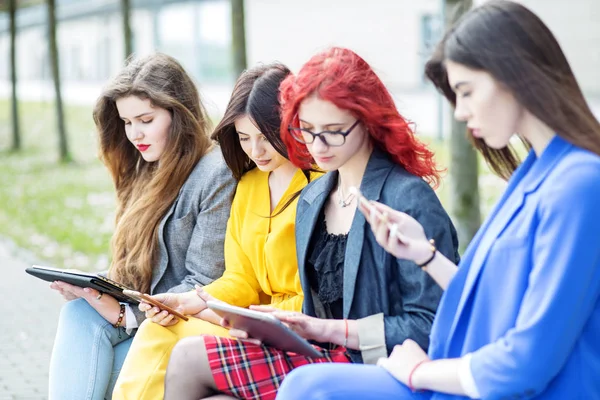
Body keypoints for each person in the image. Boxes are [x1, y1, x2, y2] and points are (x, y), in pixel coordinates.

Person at [275, 1, 600, 399]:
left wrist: (421, 373)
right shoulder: (536, 172)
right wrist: (424, 256)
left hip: (503, 385)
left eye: (465, 92)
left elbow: (525, 362)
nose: (460, 112)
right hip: (462, 373)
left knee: (311, 388)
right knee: (305, 384)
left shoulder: (579, 184)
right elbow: (494, 297)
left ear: (517, 76)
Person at [163, 47, 460, 400]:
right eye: (305, 129)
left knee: (192, 361)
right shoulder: (315, 197)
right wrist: (273, 328)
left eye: (333, 131)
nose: (316, 145)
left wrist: (328, 329)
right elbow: (312, 310)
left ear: (367, 120)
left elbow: (431, 324)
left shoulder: (406, 198)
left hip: (382, 363)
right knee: (190, 362)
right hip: (322, 352)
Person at [111, 63, 320, 400]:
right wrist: (186, 300)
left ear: (290, 125)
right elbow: (241, 279)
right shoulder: (251, 184)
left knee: (178, 345)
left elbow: (321, 292)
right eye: (243, 138)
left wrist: (239, 315)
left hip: (294, 328)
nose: (255, 151)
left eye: (265, 138)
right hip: (250, 320)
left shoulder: (321, 183)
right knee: (157, 328)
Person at [47, 53, 236, 400]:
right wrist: (94, 289)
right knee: (77, 313)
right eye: (126, 122)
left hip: (182, 326)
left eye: (145, 120)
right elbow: (139, 268)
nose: (134, 134)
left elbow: (204, 282)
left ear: (179, 114)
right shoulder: (144, 168)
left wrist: (125, 315)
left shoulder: (215, 172)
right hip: (145, 319)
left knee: (95, 364)